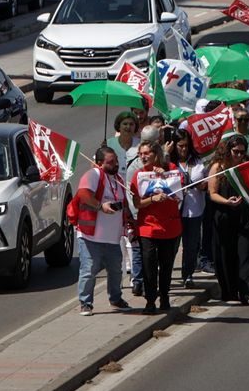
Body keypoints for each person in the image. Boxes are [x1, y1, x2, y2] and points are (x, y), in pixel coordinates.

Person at [74, 147, 132, 315]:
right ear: (100, 163)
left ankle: (116, 299)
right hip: (91, 237)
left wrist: (129, 220)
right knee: (89, 271)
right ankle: (85, 303)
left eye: (116, 160)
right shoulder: (93, 175)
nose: (116, 164)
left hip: (112, 238)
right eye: (111, 162)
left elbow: (124, 204)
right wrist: (100, 206)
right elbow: (83, 194)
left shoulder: (118, 179)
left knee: (116, 271)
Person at [208, 134, 249, 305]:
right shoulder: (218, 167)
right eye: (235, 151)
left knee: (247, 254)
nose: (239, 155)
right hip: (224, 215)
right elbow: (212, 193)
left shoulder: (247, 166)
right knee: (226, 255)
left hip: (246, 217)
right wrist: (227, 202)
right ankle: (230, 291)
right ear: (228, 150)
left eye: (242, 152)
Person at [129, 139, 182, 312]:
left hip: (169, 227)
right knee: (149, 266)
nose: (143, 157)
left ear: (156, 154)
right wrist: (153, 199)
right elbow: (137, 203)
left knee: (166, 266)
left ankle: (164, 296)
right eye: (140, 154)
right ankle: (150, 300)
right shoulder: (138, 175)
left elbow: (180, 193)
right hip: (148, 228)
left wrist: (165, 175)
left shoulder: (171, 169)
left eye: (147, 153)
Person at [173, 132, 210, 287]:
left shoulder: (198, 162)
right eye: (180, 146)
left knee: (191, 245)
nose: (184, 149)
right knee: (173, 246)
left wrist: (203, 186)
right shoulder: (169, 162)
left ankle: (188, 275)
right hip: (174, 211)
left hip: (194, 210)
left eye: (186, 146)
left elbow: (208, 181)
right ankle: (165, 275)